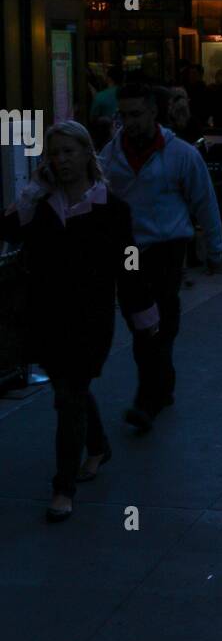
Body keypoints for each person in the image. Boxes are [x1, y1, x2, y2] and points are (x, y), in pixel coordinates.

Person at [0, 121, 158, 521]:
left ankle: (62, 488)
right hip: (44, 315)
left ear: (88, 153)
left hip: (90, 318)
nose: (61, 160)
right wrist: (31, 195)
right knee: (69, 387)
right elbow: (8, 233)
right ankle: (100, 445)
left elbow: (130, 264)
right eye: (55, 153)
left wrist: (143, 316)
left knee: (67, 397)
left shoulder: (111, 209)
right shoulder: (42, 203)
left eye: (69, 151)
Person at [100, 83, 222, 431]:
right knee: (139, 318)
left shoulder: (181, 154)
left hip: (168, 247)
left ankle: (148, 397)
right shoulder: (111, 155)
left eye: (136, 114)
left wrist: (215, 248)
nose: (129, 122)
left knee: (160, 317)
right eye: (123, 115)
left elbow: (205, 201)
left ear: (154, 112)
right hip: (129, 250)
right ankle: (161, 381)